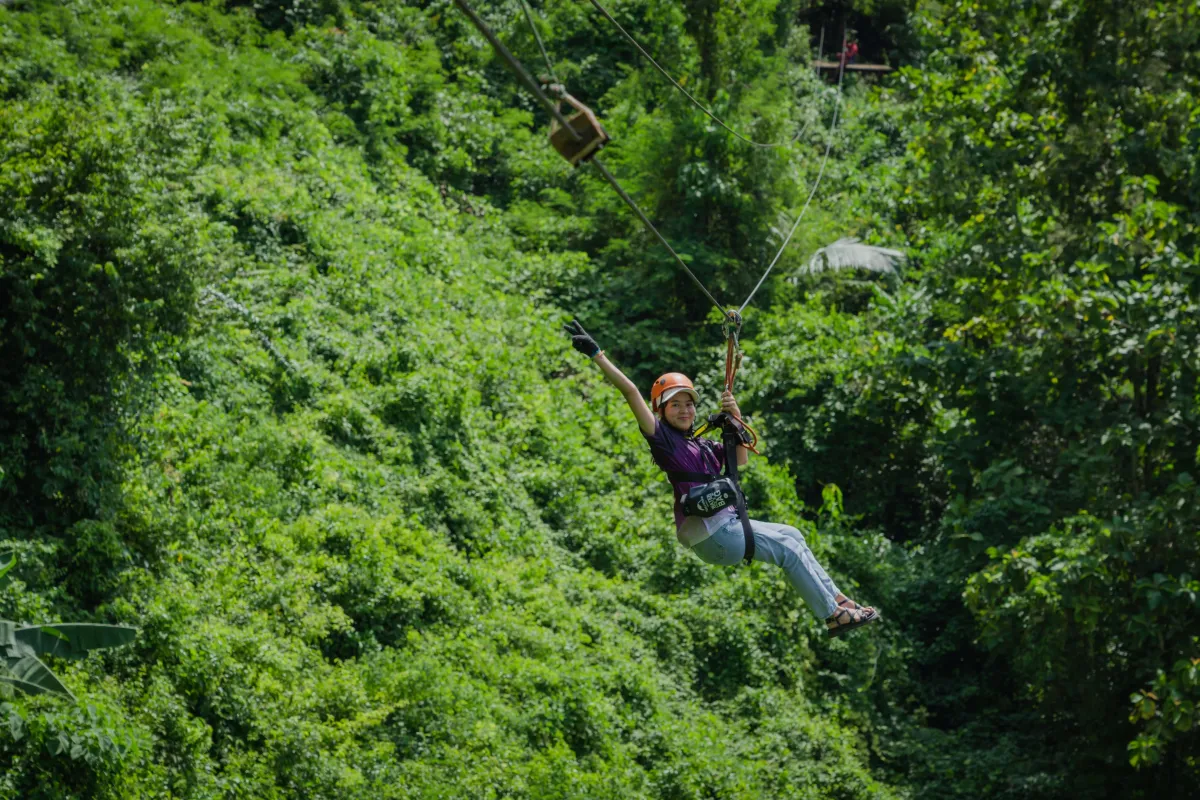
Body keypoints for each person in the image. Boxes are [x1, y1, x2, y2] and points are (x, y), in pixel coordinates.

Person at [563, 319, 880, 637]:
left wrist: (735, 417)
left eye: (689, 404)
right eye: (675, 405)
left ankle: (837, 600)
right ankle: (832, 615)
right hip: (713, 534)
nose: (684, 410)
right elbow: (631, 392)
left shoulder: (701, 444)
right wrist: (598, 355)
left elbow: (740, 459)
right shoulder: (662, 439)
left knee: (793, 535)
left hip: (725, 528)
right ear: (661, 410)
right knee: (788, 549)